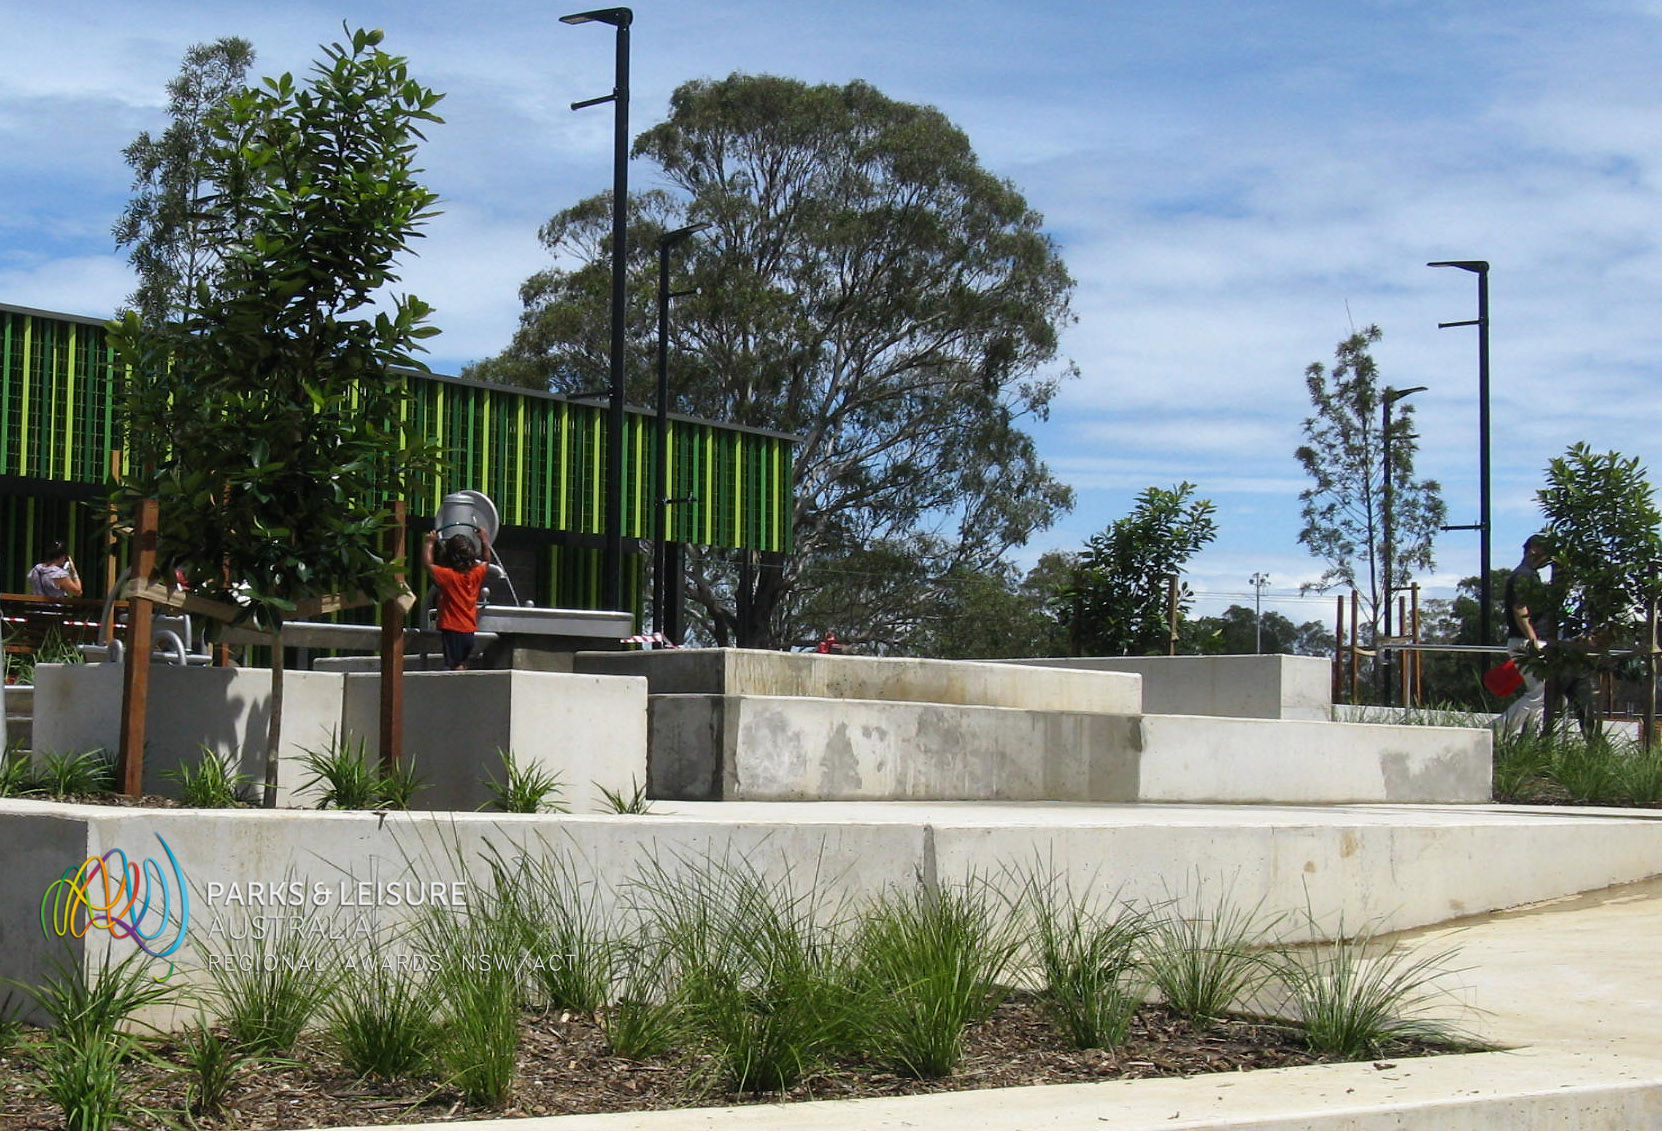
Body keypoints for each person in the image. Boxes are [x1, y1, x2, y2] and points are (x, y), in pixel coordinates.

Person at [1497, 534, 1553, 737]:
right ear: (1534, 549)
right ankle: (1496, 732)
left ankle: (1527, 737)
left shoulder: (1531, 576)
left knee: (1542, 694)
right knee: (1540, 693)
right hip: (1526, 642)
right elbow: (1519, 608)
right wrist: (1533, 640)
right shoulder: (1523, 576)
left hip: (1528, 641)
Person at [422, 526, 492, 671]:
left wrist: (429, 543)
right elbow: (486, 562)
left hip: (452, 628)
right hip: (469, 630)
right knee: (461, 663)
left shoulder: (448, 576)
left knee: (454, 666)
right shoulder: (475, 574)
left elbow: (427, 564)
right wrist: (484, 541)